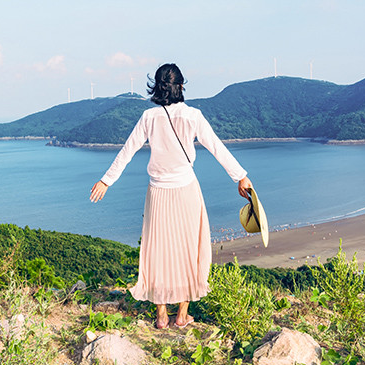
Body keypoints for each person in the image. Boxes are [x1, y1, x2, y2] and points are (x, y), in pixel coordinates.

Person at [90, 63, 252, 329]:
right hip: (186, 189)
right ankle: (182, 314)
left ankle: (161, 315)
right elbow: (217, 148)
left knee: (158, 251)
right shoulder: (193, 116)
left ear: (156, 87)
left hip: (158, 192)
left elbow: (127, 152)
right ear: (181, 86)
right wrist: (240, 176)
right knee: (189, 250)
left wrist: (106, 180)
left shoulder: (148, 117)